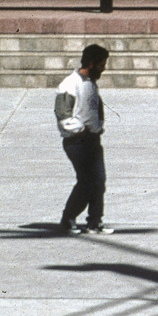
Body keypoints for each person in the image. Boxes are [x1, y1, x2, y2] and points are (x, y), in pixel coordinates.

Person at [55, 44, 113, 235]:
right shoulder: (69, 84)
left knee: (99, 182)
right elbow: (63, 115)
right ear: (91, 63)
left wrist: (98, 127)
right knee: (86, 181)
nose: (104, 68)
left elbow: (97, 107)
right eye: (101, 64)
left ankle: (94, 222)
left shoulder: (91, 83)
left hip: (93, 140)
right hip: (77, 142)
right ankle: (67, 219)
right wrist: (80, 130)